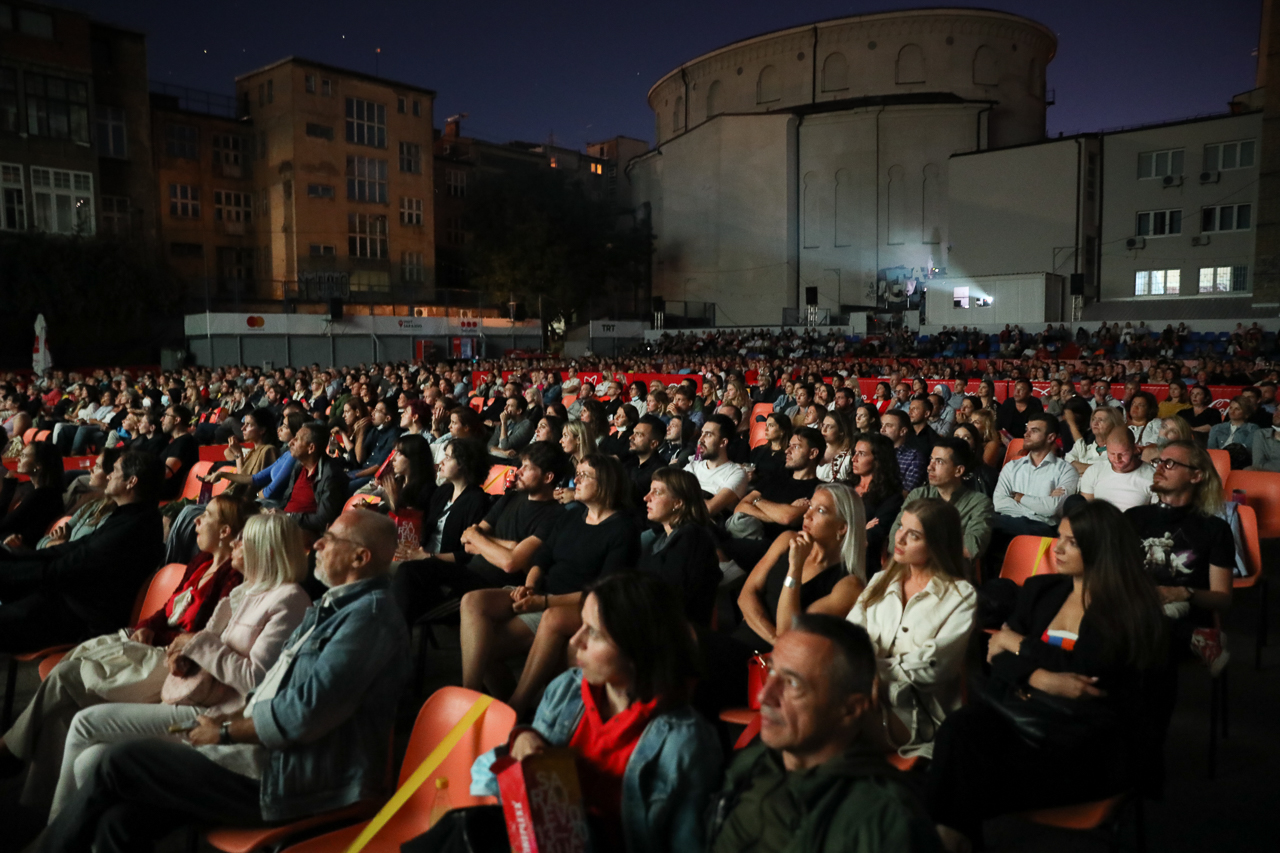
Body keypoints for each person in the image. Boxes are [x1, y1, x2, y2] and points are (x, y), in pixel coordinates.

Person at [36, 509, 409, 853]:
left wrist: (224, 732)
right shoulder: (335, 608)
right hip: (265, 760)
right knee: (119, 820)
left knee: (116, 762)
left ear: (360, 558)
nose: (318, 544)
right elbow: (275, 691)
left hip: (293, 782)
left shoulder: (369, 619)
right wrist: (221, 713)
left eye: (331, 538)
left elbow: (303, 714)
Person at [929, 501, 1169, 851]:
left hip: (1085, 745)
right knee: (958, 729)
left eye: (1072, 542)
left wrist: (1019, 644)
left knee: (963, 772)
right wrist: (1041, 678)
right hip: (1026, 717)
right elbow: (995, 655)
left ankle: (950, 838)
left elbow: (1088, 671)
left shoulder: (1129, 610)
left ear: (1101, 548)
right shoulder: (1041, 590)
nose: (1057, 548)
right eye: (1059, 537)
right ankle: (951, 838)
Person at [48, 512, 313, 819]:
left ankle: (54, 835)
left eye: (242, 540)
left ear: (264, 549)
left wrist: (197, 644)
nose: (234, 544)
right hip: (201, 699)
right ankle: (68, 832)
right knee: (90, 759)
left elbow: (255, 680)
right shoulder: (246, 591)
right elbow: (208, 643)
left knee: (86, 724)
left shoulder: (290, 600)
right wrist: (184, 654)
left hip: (220, 715)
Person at [0, 496, 247, 812]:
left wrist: (160, 637)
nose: (196, 520)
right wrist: (146, 626)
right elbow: (166, 610)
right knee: (65, 703)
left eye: (207, 516)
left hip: (174, 664)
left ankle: (9, 749)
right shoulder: (200, 562)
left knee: (66, 675)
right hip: (150, 648)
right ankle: (40, 803)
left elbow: (203, 636)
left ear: (225, 531)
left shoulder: (232, 578)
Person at [471, 573, 722, 851]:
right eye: (581, 625)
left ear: (636, 649)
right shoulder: (567, 689)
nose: (575, 640)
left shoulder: (685, 743)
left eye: (593, 632)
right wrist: (524, 737)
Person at [707, 614, 942, 853]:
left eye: (793, 683)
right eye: (772, 672)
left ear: (851, 709)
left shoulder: (886, 820)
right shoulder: (751, 764)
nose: (764, 696)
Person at [461, 454, 639, 708]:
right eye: (577, 474)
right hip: (541, 592)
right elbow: (542, 557)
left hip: (574, 603)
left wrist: (543, 602)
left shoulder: (622, 529)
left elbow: (605, 591)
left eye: (584, 475)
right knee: (473, 601)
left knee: (487, 647)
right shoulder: (571, 516)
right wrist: (530, 585)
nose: (576, 480)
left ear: (606, 482)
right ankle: (468, 695)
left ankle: (516, 707)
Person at [848, 498, 976, 761]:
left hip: (917, 711)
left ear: (937, 544)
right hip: (860, 691)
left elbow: (932, 666)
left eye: (914, 535)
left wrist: (871, 672)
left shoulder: (961, 595)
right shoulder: (881, 580)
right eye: (901, 527)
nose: (900, 538)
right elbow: (850, 637)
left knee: (831, 726)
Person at [0, 451, 165, 653]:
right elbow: (73, 548)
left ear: (131, 482)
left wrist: (9, 570)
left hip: (83, 619)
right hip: (69, 601)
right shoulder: (128, 516)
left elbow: (69, 565)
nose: (109, 475)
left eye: (114, 471)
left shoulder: (136, 526)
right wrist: (14, 557)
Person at [1124, 440, 1234, 672]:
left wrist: (1183, 593)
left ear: (1196, 476)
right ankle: (1196, 637)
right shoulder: (1133, 518)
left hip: (1184, 613)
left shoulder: (1214, 529)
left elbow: (1223, 598)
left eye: (1170, 463)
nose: (1159, 468)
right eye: (1158, 461)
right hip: (1134, 607)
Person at [733, 484, 867, 657]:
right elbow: (745, 596)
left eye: (820, 510)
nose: (807, 515)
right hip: (744, 641)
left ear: (842, 528)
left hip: (777, 663)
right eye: (810, 506)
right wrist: (775, 639)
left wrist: (795, 568)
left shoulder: (849, 585)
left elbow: (789, 633)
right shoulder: (787, 540)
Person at [889, 438, 993, 568]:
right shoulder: (918, 495)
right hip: (908, 568)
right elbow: (894, 537)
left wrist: (919, 541)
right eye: (931, 460)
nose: (929, 467)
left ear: (958, 471)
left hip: (950, 573)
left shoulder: (979, 503)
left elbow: (971, 547)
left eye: (939, 462)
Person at [636, 468, 721, 626]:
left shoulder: (692, 539)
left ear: (678, 502)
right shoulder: (659, 540)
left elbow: (673, 600)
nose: (646, 498)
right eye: (650, 490)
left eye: (657, 492)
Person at [991, 413, 1079, 542]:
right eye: (1027, 429)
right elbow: (999, 503)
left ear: (1050, 437)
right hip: (1007, 523)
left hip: (1042, 528)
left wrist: (1020, 497)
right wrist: (1035, 510)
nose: (1026, 434)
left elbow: (1053, 508)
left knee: (987, 523)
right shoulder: (1012, 467)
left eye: (1034, 431)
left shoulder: (1066, 470)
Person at [265, 421, 345, 540]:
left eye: (296, 440)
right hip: (285, 523)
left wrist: (288, 516)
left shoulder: (331, 475)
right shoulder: (299, 467)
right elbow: (287, 501)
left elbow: (323, 520)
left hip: (307, 532)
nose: (290, 443)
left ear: (311, 448)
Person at [848, 433, 906, 574]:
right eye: (855, 453)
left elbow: (873, 536)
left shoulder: (891, 497)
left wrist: (843, 529)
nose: (854, 459)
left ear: (878, 459)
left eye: (861, 454)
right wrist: (861, 528)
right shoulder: (845, 486)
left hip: (863, 560)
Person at [0, 441, 64, 549]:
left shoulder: (41, 496)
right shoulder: (46, 491)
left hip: (21, 551)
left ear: (38, 465)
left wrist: (7, 488)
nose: (18, 459)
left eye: (24, 456)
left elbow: (2, 525)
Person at [1076, 429, 1154, 512]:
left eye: (1122, 454)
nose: (1117, 459)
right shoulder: (1094, 471)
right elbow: (1087, 512)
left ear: (1134, 449)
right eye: (1112, 454)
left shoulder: (1152, 476)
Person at [687, 414, 750, 517]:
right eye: (702, 433)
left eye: (708, 435)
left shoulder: (736, 473)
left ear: (723, 442)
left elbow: (709, 509)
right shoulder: (692, 466)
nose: (700, 440)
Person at [1064, 405, 1124, 475]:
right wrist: (1097, 470)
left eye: (1101, 420)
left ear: (1114, 425)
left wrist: (1080, 469)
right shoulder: (1083, 448)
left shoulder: (1120, 451)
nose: (1095, 423)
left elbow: (1111, 471)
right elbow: (1066, 465)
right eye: (1093, 419)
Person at [157, 405, 199, 502]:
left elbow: (166, 473)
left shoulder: (184, 442)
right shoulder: (178, 441)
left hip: (166, 494)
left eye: (166, 415)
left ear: (176, 420)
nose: (162, 419)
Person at [624, 414, 667, 506]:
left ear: (653, 444)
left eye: (639, 434)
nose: (631, 437)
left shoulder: (659, 471)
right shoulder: (630, 462)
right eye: (633, 433)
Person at [880, 409, 925, 491]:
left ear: (903, 431)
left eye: (888, 426)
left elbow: (907, 492)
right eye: (882, 425)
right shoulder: (875, 450)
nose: (882, 430)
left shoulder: (913, 457)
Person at [749, 412, 791, 484]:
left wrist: (756, 478)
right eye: (766, 425)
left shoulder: (789, 454)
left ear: (782, 431)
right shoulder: (758, 450)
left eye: (771, 426)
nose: (766, 429)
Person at [816, 409, 855, 482]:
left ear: (841, 431)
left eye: (829, 427)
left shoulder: (849, 456)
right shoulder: (816, 449)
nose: (824, 430)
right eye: (823, 425)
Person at [1249, 406, 1280, 471]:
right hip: (1264, 476)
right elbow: (1257, 465)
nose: (1277, 414)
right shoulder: (1261, 434)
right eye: (1276, 410)